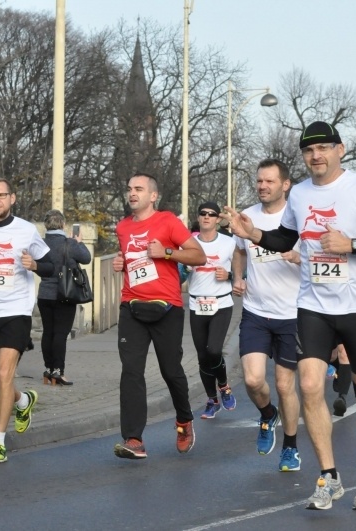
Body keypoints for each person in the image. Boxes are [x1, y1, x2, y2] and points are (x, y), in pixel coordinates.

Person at [224, 121, 356, 511]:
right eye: (309, 151)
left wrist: (353, 244)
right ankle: (328, 476)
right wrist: (254, 233)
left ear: (340, 150)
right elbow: (286, 240)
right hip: (313, 307)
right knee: (309, 386)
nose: (316, 156)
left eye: (323, 148)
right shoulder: (301, 195)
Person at [112, 172, 206, 459]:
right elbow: (132, 261)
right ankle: (133, 439)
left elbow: (198, 256)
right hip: (132, 306)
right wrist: (121, 262)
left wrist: (166, 252)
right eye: (129, 189)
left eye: (138, 189)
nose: (132, 193)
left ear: (153, 196)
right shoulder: (123, 227)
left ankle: (183, 419)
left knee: (170, 370)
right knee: (131, 371)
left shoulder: (168, 222)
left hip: (167, 308)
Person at [230, 159, 303, 473]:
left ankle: (290, 448)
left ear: (285, 184)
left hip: (292, 314)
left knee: (286, 386)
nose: (262, 186)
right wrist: (238, 276)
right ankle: (267, 413)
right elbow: (239, 250)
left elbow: (318, 259)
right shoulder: (248, 217)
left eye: (269, 181)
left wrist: (298, 257)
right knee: (252, 379)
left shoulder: (298, 219)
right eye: (259, 181)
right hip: (256, 311)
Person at [0, 179, 52, 463]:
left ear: (12, 198)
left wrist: (35, 265)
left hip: (16, 313)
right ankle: (23, 401)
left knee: (4, 375)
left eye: (1, 195)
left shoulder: (26, 230)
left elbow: (51, 266)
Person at [185, 202, 238, 420]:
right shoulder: (189, 243)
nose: (206, 217)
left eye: (211, 214)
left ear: (218, 219)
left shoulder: (229, 243)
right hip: (197, 303)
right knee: (202, 356)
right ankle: (211, 400)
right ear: (198, 218)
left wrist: (230, 276)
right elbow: (178, 273)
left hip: (221, 304)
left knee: (214, 350)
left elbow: (244, 272)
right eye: (203, 213)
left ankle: (224, 386)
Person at [37, 209, 92, 386]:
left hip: (45, 294)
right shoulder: (69, 243)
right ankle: (58, 372)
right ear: (63, 224)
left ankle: (48, 369)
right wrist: (80, 243)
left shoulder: (40, 243)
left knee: (48, 332)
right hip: (65, 295)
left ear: (46, 224)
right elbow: (86, 258)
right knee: (60, 334)